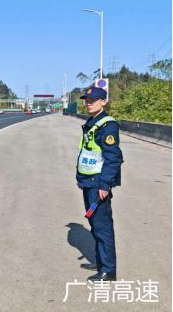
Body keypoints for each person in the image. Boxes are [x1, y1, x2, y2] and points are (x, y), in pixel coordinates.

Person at [76, 86, 123, 281]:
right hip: (89, 181)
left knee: (102, 226)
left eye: (93, 100)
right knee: (95, 225)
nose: (88, 103)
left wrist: (105, 184)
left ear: (103, 101)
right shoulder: (93, 121)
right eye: (86, 100)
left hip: (98, 184)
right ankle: (100, 261)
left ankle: (108, 270)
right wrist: (81, 179)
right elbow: (86, 152)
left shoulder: (107, 125)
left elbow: (113, 158)